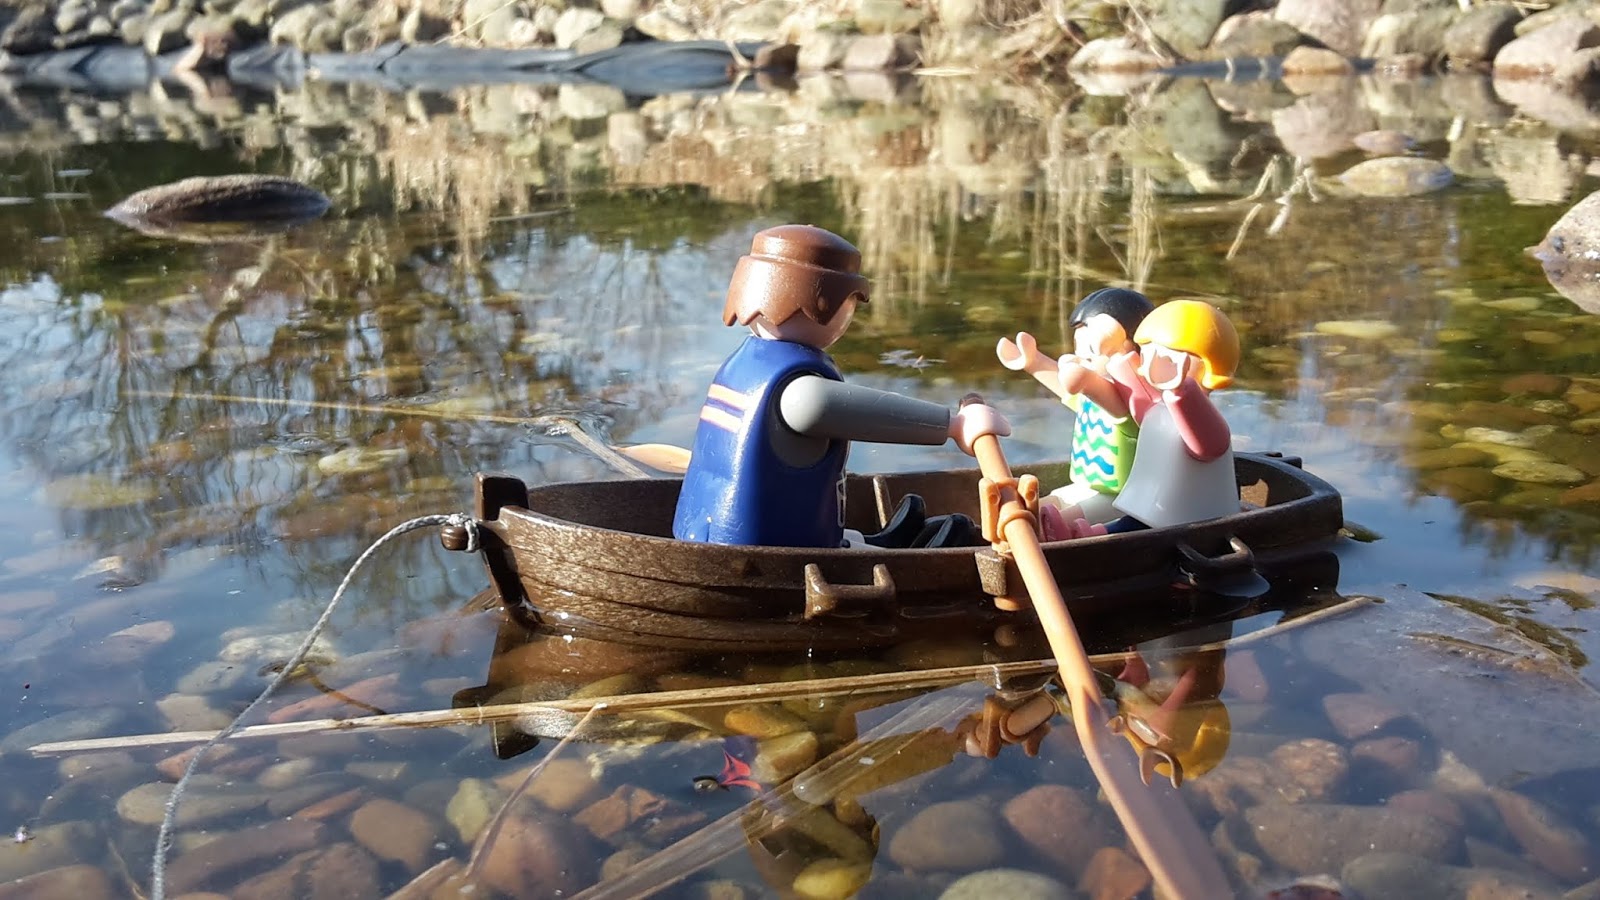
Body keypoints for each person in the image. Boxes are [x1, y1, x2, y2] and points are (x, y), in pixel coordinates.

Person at [672, 224, 1009, 549]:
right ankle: (893, 557)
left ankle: (872, 544)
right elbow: (866, 413)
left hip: (706, 529)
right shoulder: (800, 391)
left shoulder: (743, 364)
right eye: (851, 303)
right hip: (768, 547)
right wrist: (954, 425)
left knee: (853, 540)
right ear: (828, 304)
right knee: (949, 535)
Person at [997, 288, 1155, 529]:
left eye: (1093, 352)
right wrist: (1033, 361)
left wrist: (1081, 374)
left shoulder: (1131, 402)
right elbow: (1067, 387)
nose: (1082, 357)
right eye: (1079, 349)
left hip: (1120, 496)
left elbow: (1091, 386)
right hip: (1086, 486)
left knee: (1053, 523)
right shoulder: (1089, 397)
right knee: (1041, 506)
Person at [1098, 299, 1240, 534]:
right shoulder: (1161, 409)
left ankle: (1088, 536)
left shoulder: (1201, 417)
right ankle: (1083, 534)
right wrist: (1119, 363)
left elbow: (1206, 447)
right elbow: (1142, 407)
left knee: (1122, 532)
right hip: (1150, 510)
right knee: (1124, 528)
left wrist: (1181, 390)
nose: (1155, 363)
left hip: (1193, 520)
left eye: (1171, 357)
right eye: (1148, 353)